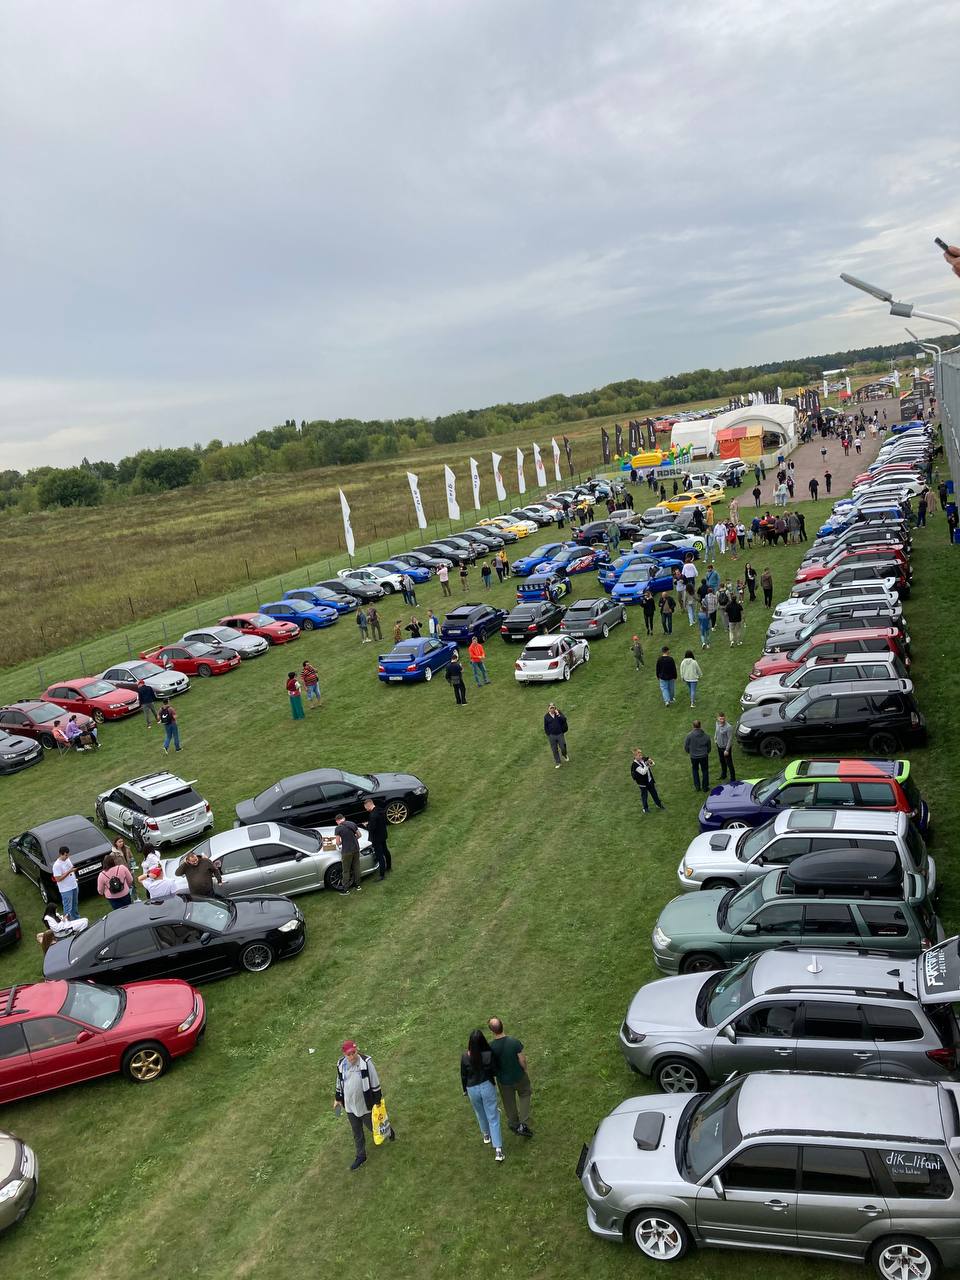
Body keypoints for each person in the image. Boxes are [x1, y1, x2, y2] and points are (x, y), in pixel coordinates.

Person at [335, 1040, 393, 1170]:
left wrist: (377, 1102)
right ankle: (361, 1156)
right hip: (350, 1106)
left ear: (357, 1050)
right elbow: (339, 1082)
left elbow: (374, 1081)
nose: (352, 1056)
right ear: (344, 1054)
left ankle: (389, 1131)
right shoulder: (341, 1064)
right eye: (349, 1054)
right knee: (357, 1132)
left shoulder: (366, 1063)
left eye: (354, 1053)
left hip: (365, 1105)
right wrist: (338, 1098)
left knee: (374, 1126)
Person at [460, 1030, 504, 1163]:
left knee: (480, 1112)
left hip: (472, 1088)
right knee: (493, 1116)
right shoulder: (488, 1055)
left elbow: (463, 1075)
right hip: (486, 1086)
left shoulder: (465, 1057)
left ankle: (486, 1135)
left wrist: (465, 1090)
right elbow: (495, 1071)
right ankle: (498, 1150)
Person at [488, 1017, 533, 1138]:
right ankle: (524, 1122)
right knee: (525, 1094)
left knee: (508, 1102)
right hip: (519, 1076)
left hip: (504, 1081)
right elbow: (522, 1059)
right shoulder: (513, 1042)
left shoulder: (491, 1047)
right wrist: (524, 1069)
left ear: (492, 1031)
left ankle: (514, 1123)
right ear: (502, 1025)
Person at [362, 797, 391, 879]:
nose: (366, 809)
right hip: (383, 835)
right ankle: (389, 866)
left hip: (376, 838)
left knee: (379, 855)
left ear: (368, 806)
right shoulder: (380, 810)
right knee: (385, 851)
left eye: (366, 808)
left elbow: (372, 828)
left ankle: (382, 875)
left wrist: (367, 825)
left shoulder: (373, 815)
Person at [335, 813, 363, 894]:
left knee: (346, 870)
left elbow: (338, 842)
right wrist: (353, 838)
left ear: (337, 821)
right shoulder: (352, 824)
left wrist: (342, 842)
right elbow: (359, 835)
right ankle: (358, 885)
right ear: (344, 818)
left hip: (347, 851)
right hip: (356, 849)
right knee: (356, 867)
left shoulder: (338, 828)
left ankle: (346, 889)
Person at [631, 749, 664, 813]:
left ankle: (659, 804)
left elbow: (653, 764)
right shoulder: (634, 765)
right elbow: (643, 772)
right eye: (639, 756)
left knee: (654, 793)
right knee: (644, 796)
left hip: (649, 780)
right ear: (635, 756)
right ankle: (645, 808)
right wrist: (647, 765)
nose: (641, 757)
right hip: (642, 783)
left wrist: (650, 762)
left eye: (641, 755)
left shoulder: (643, 759)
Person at [52, 845, 80, 921]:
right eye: (66, 855)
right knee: (68, 908)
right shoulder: (56, 865)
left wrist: (73, 871)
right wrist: (69, 872)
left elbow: (71, 869)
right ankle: (68, 923)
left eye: (68, 855)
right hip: (66, 890)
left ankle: (77, 920)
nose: (67, 857)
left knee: (75, 906)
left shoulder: (67, 860)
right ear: (61, 854)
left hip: (74, 886)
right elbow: (58, 879)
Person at [684, 719, 712, 791]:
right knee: (705, 770)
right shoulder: (706, 736)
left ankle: (697, 787)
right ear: (700, 725)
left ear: (693, 726)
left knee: (695, 770)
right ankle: (705, 787)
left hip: (694, 757)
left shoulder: (689, 736)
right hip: (704, 756)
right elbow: (709, 747)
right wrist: (706, 752)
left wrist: (690, 752)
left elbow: (686, 746)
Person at [111, 836, 140, 901]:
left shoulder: (127, 848)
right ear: (115, 843)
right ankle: (130, 900)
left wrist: (133, 865)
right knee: (126, 887)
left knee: (133, 885)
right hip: (122, 874)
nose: (121, 843)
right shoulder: (113, 854)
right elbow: (114, 865)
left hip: (130, 871)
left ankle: (136, 898)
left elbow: (131, 857)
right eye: (119, 842)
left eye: (122, 841)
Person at [543, 703, 569, 767]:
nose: (552, 709)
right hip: (552, 736)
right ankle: (558, 762)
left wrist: (558, 714)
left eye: (553, 708)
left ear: (555, 708)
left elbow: (564, 719)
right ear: (548, 709)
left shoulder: (558, 713)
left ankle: (564, 754)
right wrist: (548, 734)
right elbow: (546, 726)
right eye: (551, 708)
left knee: (563, 747)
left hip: (560, 734)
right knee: (554, 750)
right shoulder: (546, 716)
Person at [715, 712, 736, 781]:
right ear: (717, 718)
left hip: (725, 748)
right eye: (720, 719)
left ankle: (733, 779)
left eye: (723, 719)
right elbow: (716, 731)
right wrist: (715, 739)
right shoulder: (717, 723)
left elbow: (730, 739)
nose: (722, 720)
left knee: (729, 763)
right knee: (722, 761)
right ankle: (723, 775)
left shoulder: (728, 727)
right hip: (719, 746)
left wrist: (727, 750)